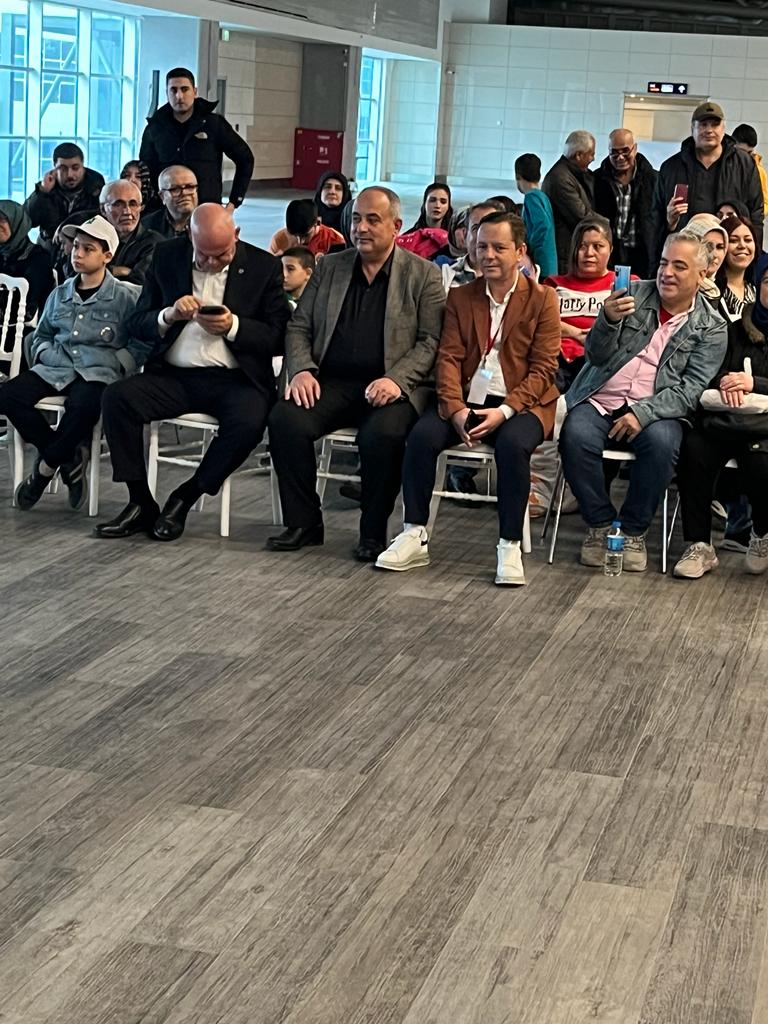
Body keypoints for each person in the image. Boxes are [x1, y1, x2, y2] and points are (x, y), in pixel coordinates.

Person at [375, 211, 560, 586]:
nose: (488, 255)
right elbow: (448, 358)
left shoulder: (542, 299)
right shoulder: (461, 297)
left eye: (499, 247)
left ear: (520, 251)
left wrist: (504, 411)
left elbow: (543, 370)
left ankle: (509, 544)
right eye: (482, 246)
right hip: (465, 398)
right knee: (422, 436)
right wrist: (455, 408)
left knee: (512, 446)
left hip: (520, 403)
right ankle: (414, 532)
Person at [266, 186, 445, 562]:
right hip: (331, 381)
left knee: (382, 434)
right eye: (356, 219)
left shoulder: (423, 275)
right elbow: (298, 326)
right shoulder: (330, 267)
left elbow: (431, 341)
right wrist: (302, 370)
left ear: (396, 226)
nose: (361, 228)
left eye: (372, 220)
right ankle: (304, 522)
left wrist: (396, 379)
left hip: (392, 386)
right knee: (286, 419)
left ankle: (373, 532)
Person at [93, 204, 289, 542]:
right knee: (117, 398)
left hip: (236, 379)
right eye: (203, 255)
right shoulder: (167, 256)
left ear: (236, 235)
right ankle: (139, 502)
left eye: (221, 255)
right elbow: (137, 323)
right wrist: (167, 316)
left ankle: (185, 497)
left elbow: (279, 335)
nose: (211, 263)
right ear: (189, 238)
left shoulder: (263, 266)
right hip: (174, 375)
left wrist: (234, 327)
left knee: (250, 422)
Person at [559, 232, 728, 571]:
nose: (667, 273)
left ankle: (633, 531)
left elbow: (690, 390)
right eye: (664, 263)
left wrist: (643, 413)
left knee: (663, 444)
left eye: (679, 266)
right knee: (574, 434)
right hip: (601, 398)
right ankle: (601, 524)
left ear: (702, 275)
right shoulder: (632, 294)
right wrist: (606, 321)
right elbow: (595, 355)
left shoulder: (711, 327)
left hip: (657, 410)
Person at [0, 216, 140, 511]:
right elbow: (41, 335)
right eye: (76, 246)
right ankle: (68, 459)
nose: (78, 254)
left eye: (88, 249)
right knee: (8, 395)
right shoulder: (60, 293)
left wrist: (121, 364)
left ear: (107, 256)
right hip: (56, 367)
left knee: (84, 407)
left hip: (97, 372)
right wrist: (46, 354)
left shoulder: (124, 297)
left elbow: (143, 340)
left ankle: (43, 472)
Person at [673, 251, 768, 579]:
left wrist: (755, 383)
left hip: (763, 426)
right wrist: (726, 381)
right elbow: (707, 369)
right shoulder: (732, 328)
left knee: (761, 463)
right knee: (693, 449)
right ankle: (699, 544)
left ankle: (761, 532)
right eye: (767, 281)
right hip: (725, 417)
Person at [652, 102, 764, 261]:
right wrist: (669, 222)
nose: (709, 130)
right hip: (685, 258)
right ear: (692, 128)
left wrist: (753, 260)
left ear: (723, 128)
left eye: (715, 124)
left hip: (728, 258)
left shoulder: (744, 165)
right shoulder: (671, 168)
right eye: (703, 124)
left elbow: (756, 215)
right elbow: (655, 217)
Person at [139, 67, 254, 210]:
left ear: (195, 91)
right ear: (166, 93)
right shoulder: (155, 128)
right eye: (173, 90)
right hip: (166, 210)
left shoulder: (214, 124)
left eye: (184, 89)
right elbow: (145, 169)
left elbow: (245, 158)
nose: (179, 96)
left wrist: (234, 202)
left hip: (206, 209)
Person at [543, 214, 621, 393]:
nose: (589, 253)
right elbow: (540, 323)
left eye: (598, 246)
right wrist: (576, 333)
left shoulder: (625, 283)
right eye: (582, 246)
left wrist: (596, 337)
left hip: (604, 364)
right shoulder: (553, 284)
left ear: (610, 249)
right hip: (556, 362)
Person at [593, 128, 658, 279]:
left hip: (643, 254)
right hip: (609, 254)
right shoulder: (597, 179)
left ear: (635, 149)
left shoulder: (654, 179)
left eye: (625, 151)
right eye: (614, 153)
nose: (620, 157)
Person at [23, 143, 104, 245]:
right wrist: (42, 192)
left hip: (85, 244)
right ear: (54, 168)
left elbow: (102, 217)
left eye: (75, 168)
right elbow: (25, 222)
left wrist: (67, 225)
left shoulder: (96, 186)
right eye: (63, 169)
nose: (70, 175)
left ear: (83, 166)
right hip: (51, 245)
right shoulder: (46, 187)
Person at [542, 131, 596, 273]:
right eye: (591, 154)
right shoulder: (561, 179)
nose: (593, 159)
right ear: (578, 155)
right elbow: (582, 217)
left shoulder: (572, 174)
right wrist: (607, 226)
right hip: (565, 256)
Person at [0, 200, 54, 329]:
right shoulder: (1, 254)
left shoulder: (38, 258)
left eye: (2, 220)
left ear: (17, 223)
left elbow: (26, 304)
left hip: (18, 329)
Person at [514, 153, 558, 280]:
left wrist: (529, 249)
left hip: (541, 262)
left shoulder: (531, 197)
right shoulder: (542, 196)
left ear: (518, 176)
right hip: (549, 262)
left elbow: (542, 226)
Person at [716, 214, 758, 322]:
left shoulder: (758, 290)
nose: (742, 245)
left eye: (748, 240)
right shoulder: (711, 292)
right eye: (733, 240)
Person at [268, 199, 345, 257]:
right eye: (295, 235)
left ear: (318, 222)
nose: (300, 241)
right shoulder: (280, 239)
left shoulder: (336, 241)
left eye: (306, 235)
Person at [142, 165, 199, 239]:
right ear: (162, 196)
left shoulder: (210, 221)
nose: (184, 193)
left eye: (189, 187)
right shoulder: (146, 226)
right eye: (175, 189)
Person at [732, 123, 768, 216]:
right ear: (732, 145)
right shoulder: (724, 165)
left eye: (749, 152)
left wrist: (753, 218)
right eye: (742, 152)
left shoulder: (758, 170)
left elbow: (765, 203)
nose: (745, 157)